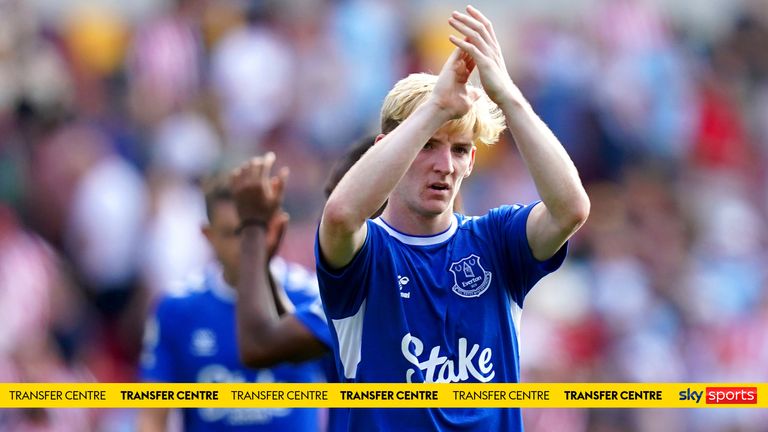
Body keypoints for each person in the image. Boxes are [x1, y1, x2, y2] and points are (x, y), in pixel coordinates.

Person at [316, 5, 590, 431]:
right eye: (428, 144)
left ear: (471, 161)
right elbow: (339, 216)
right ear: (395, 148)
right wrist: (437, 106)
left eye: (459, 149)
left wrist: (508, 97)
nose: (444, 164)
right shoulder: (367, 252)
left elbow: (571, 209)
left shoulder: (496, 241)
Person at [137, 169, 332, 432]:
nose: (244, 245)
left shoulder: (312, 297)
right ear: (208, 236)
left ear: (273, 228)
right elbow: (152, 415)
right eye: (231, 233)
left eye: (251, 231)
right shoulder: (177, 309)